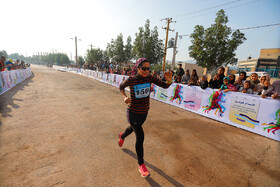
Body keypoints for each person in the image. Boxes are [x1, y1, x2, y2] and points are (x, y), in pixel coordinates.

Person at [118, 58, 172, 177]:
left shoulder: (150, 78)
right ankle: (141, 164)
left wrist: (169, 81)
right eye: (144, 68)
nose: (147, 71)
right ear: (138, 68)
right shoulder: (132, 79)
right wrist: (124, 97)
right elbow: (121, 87)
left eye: (148, 68)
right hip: (132, 112)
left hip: (144, 112)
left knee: (132, 129)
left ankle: (122, 136)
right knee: (140, 135)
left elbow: (164, 85)